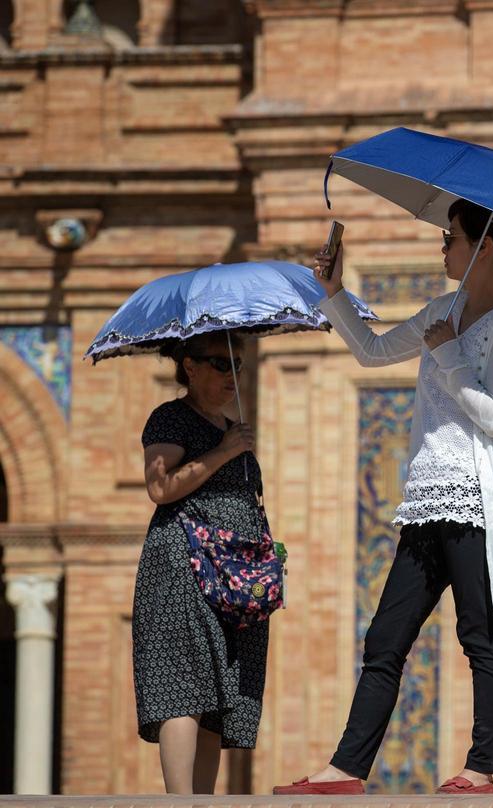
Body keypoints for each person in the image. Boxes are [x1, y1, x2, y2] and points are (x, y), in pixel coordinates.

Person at [273, 199, 493, 796]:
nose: (442, 247)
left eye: (451, 238)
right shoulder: (440, 310)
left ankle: (481, 769)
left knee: (479, 633)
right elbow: (371, 351)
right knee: (385, 639)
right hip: (426, 499)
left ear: (482, 247)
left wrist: (448, 354)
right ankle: (347, 768)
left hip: (476, 501)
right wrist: (333, 292)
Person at [134, 331, 263, 794]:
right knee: (183, 684)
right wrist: (226, 450)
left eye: (238, 365)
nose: (232, 375)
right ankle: (179, 802)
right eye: (220, 363)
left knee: (217, 695)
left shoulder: (230, 425)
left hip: (232, 579)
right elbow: (160, 487)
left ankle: (203, 803)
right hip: (183, 568)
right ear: (189, 366)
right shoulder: (171, 418)